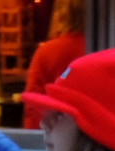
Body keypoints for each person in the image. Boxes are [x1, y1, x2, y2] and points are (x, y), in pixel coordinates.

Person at [21, 0, 86, 129]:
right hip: (97, 137)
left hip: (55, 133)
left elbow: (34, 109)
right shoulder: (107, 49)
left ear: (64, 13)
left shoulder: (46, 53)